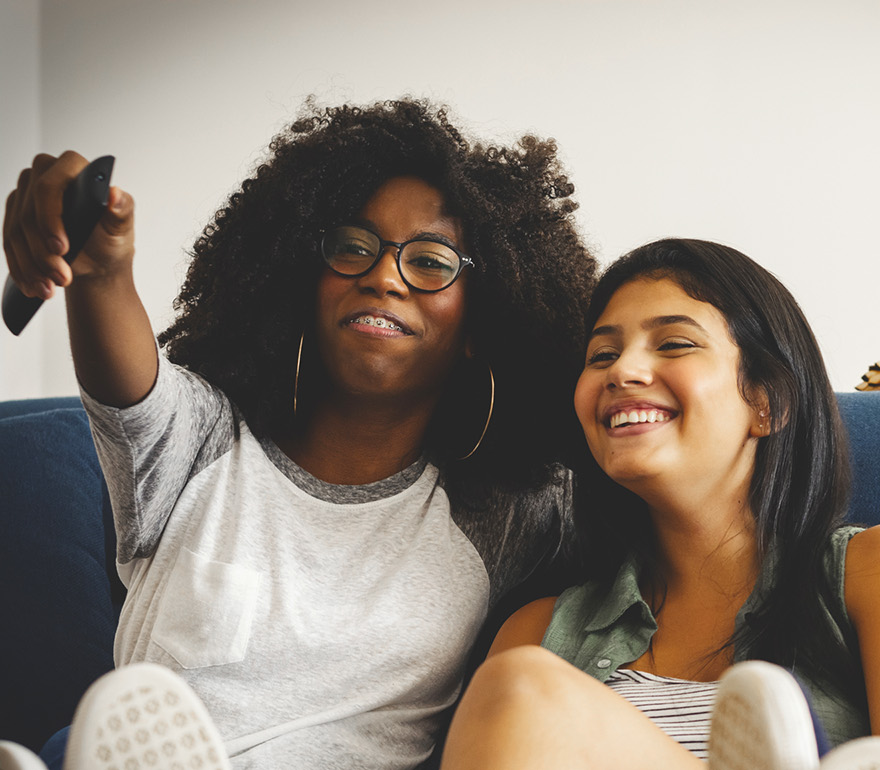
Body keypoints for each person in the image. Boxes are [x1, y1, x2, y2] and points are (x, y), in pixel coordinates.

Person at [0, 98, 597, 769]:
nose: (381, 276)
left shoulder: (503, 512)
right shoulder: (198, 445)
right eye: (353, 248)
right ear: (304, 283)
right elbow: (122, 359)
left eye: (430, 261)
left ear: (480, 325)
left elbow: (659, 516)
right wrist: (98, 260)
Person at [439, 238, 880, 770]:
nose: (622, 371)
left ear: (768, 402)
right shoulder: (537, 633)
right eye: (602, 354)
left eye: (674, 344)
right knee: (518, 689)